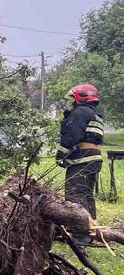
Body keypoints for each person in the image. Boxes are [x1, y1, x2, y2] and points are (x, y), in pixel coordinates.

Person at [55, 83, 104, 238]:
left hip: (82, 159)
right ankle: (91, 230)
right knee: (87, 195)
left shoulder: (80, 112)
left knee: (75, 195)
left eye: (73, 99)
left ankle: (80, 234)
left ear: (80, 97)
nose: (72, 103)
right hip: (93, 158)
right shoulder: (94, 114)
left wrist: (61, 155)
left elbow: (72, 136)